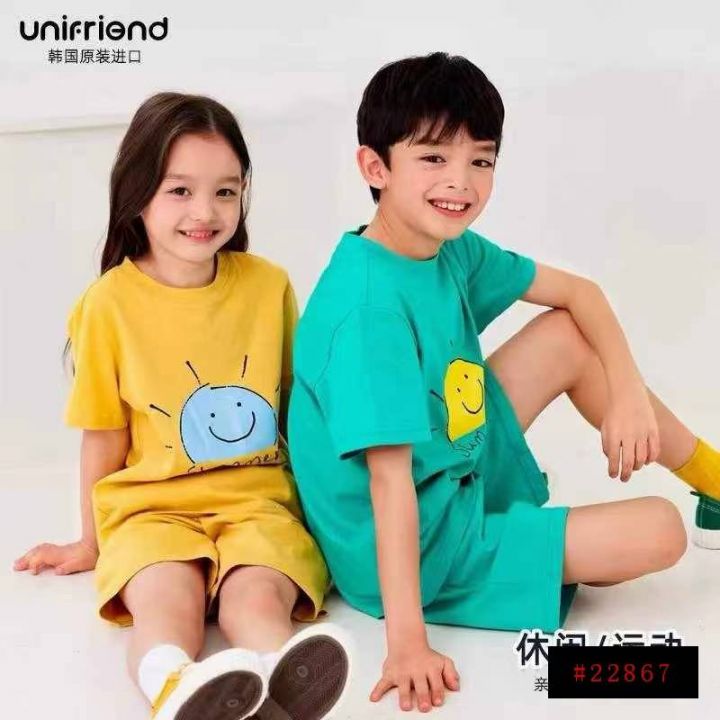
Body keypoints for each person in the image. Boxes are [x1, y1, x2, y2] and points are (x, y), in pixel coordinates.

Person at [288, 52, 715, 713]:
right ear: (375, 167)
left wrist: (628, 393)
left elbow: (580, 293)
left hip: (447, 458)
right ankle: (525, 549)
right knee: (661, 531)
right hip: (417, 547)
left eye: (480, 160)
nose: (460, 182)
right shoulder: (368, 310)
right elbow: (389, 484)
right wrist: (407, 643)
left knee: (566, 334)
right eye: (433, 158)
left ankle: (712, 478)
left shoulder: (445, 247)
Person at [14, 92, 350, 720]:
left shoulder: (268, 285)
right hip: (151, 511)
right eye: (180, 191)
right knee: (168, 602)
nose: (205, 211)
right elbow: (104, 434)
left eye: (226, 191)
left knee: (256, 599)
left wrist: (339, 512)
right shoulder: (108, 305)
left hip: (258, 506)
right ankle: (175, 685)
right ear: (137, 194)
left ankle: (287, 678)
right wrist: (91, 541)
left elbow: (296, 412)